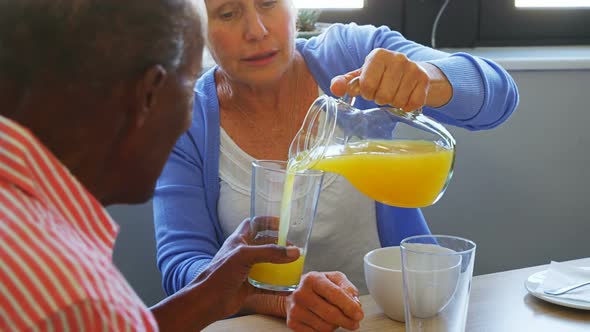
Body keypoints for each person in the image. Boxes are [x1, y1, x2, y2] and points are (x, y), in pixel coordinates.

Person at [153, 0, 519, 331]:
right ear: (195, 26)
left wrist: (426, 78)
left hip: (390, 317)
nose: (257, 30)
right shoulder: (185, 118)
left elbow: (500, 95)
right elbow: (181, 265)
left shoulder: (349, 55)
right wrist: (276, 298)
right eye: (228, 13)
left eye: (268, 3)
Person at [0, 0, 304, 331]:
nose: (192, 116)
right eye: (189, 90)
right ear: (148, 96)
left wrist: (204, 295)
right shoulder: (78, 299)